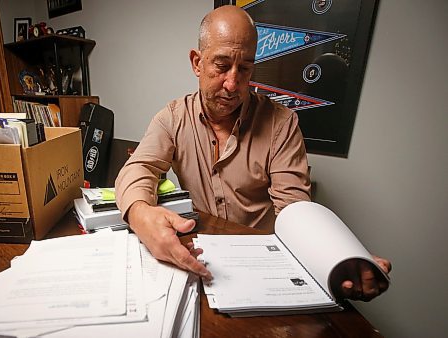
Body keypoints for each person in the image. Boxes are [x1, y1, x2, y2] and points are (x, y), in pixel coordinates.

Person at [115, 5, 391, 301]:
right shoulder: (171, 118)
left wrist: (336, 257)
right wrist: (140, 214)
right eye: (221, 66)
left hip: (268, 264)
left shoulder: (282, 123)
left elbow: (294, 211)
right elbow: (138, 169)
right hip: (203, 256)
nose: (233, 85)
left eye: (244, 68)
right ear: (197, 63)